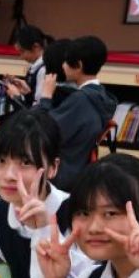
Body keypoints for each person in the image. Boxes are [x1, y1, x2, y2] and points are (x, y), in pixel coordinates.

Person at [0, 108, 90, 278]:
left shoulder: (77, 217)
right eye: (1, 161)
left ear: (53, 167)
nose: (9, 175)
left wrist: (42, 229)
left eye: (25, 163)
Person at [37, 35, 116, 188]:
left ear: (78, 65)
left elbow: (44, 132)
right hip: (79, 167)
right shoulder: (100, 95)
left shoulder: (80, 100)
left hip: (61, 174)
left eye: (66, 61)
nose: (63, 65)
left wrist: (46, 97)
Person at [2, 24, 52, 109]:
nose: (21, 57)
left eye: (22, 52)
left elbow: (38, 109)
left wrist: (16, 98)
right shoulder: (35, 66)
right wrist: (26, 93)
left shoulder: (43, 70)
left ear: (36, 47)